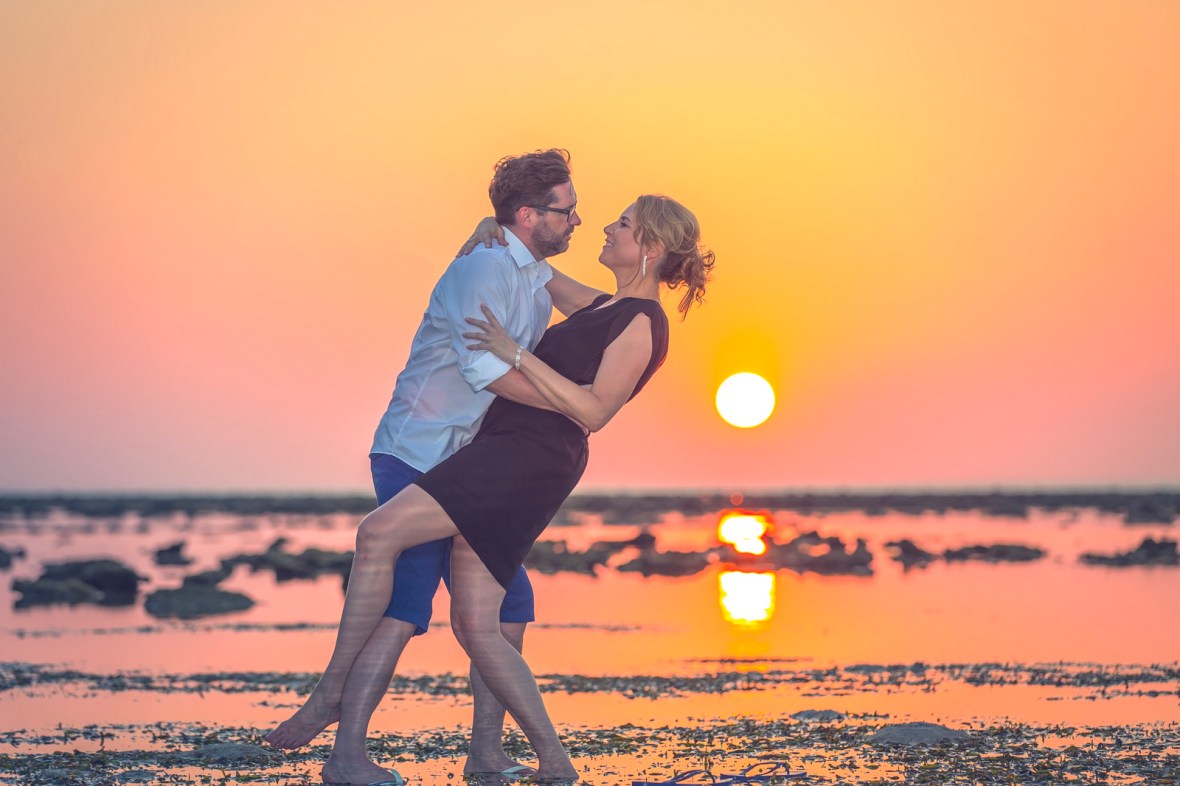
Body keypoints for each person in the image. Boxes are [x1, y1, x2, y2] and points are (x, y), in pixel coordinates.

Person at [277, 194, 713, 784]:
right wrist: (495, 226)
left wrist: (516, 356)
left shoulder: (642, 323)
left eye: (624, 224)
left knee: (378, 533)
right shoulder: (604, 304)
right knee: (477, 626)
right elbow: (532, 264)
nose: (608, 228)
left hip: (526, 459)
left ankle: (331, 692)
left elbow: (596, 409)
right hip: (509, 448)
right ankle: (552, 763)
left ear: (652, 248)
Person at [266, 148, 585, 784]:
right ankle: (345, 751)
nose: (576, 220)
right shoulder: (481, 271)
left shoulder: (531, 276)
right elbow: (484, 370)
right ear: (528, 214)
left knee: (509, 603)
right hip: (417, 451)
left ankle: (486, 753)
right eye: (566, 209)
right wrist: (572, 404)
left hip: (469, 466)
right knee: (407, 603)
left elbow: (613, 312)